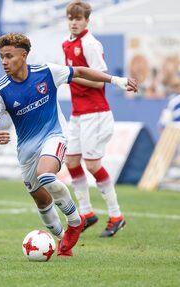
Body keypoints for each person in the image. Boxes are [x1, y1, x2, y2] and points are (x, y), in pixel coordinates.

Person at [0, 33, 137, 256]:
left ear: (24, 55)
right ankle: (60, 240)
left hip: (54, 135)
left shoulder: (46, 72)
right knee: (41, 200)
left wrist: (116, 80)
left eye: (9, 56)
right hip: (26, 149)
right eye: (1, 57)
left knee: (46, 175)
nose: (4, 62)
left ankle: (75, 222)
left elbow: (81, 72)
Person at [62, 0, 127, 237]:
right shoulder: (66, 44)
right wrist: (70, 76)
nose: (74, 22)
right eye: (70, 18)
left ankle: (116, 215)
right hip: (78, 114)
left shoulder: (90, 44)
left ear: (87, 21)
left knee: (92, 165)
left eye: (78, 18)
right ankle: (87, 213)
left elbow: (100, 80)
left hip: (96, 113)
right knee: (70, 162)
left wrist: (71, 77)